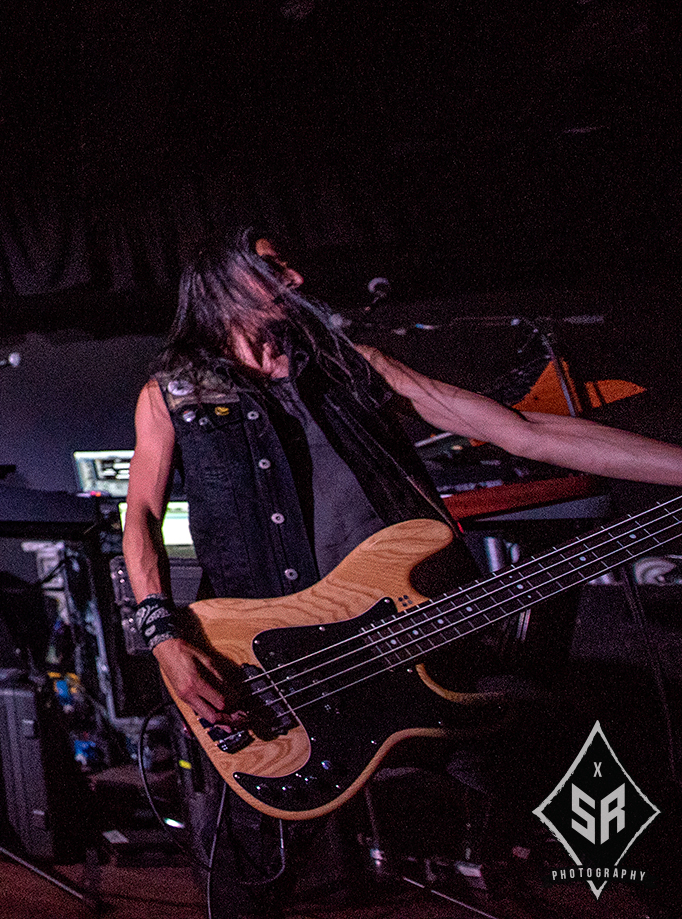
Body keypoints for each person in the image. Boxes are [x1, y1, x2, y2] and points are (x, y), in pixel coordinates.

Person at [122, 229, 682, 915]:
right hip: (275, 677)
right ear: (222, 280)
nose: (296, 278)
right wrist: (163, 637)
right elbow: (141, 515)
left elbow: (524, 432)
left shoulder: (351, 364)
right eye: (272, 267)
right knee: (247, 891)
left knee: (599, 809)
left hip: (418, 646)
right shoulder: (173, 394)